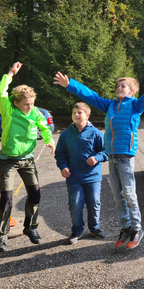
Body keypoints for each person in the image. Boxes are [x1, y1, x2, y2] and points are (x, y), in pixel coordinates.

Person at [54, 68, 144, 249]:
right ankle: (126, 227)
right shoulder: (110, 106)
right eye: (118, 86)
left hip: (126, 157)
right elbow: (90, 96)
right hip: (112, 157)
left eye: (123, 86)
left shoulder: (136, 105)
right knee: (117, 195)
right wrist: (70, 85)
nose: (119, 88)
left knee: (129, 194)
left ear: (131, 91)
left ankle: (137, 228)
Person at [0, 62, 55, 252]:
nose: (30, 107)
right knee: (7, 198)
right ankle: (3, 235)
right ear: (16, 103)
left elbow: (44, 126)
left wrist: (49, 140)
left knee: (35, 193)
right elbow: (0, 91)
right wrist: (10, 73)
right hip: (8, 160)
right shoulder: (8, 109)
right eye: (26, 104)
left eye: (32, 104)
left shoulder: (35, 112)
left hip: (28, 159)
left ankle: (30, 228)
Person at [55, 102, 108, 245]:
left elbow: (106, 151)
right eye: (74, 113)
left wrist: (97, 158)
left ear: (87, 115)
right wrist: (63, 166)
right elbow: (60, 154)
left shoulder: (96, 133)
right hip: (74, 177)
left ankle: (94, 228)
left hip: (92, 176)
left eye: (79, 112)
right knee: (75, 204)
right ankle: (77, 230)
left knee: (94, 203)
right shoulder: (66, 134)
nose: (76, 115)